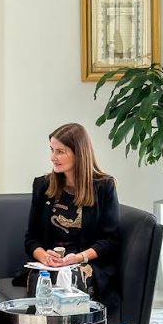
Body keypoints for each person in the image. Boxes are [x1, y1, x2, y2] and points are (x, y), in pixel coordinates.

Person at [19, 123, 120, 306]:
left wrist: (79, 257)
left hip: (84, 263)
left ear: (78, 154)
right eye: (52, 150)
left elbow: (110, 240)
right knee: (43, 279)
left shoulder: (104, 186)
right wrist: (45, 257)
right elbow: (31, 239)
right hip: (49, 266)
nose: (53, 157)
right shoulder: (42, 185)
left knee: (75, 277)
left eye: (60, 152)